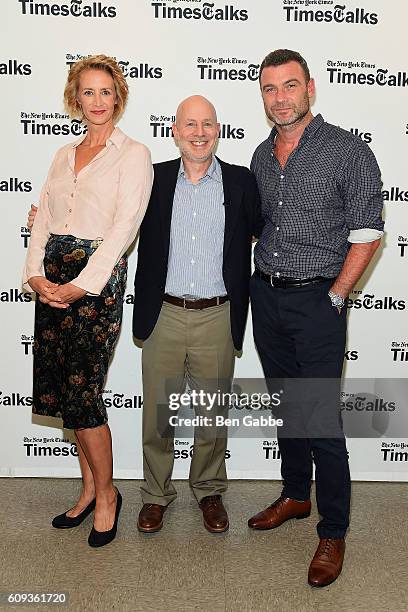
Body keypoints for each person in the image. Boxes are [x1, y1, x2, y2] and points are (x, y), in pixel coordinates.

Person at [247, 49, 384, 587]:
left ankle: (334, 529)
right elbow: (260, 225)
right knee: (287, 407)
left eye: (289, 86)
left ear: (310, 89)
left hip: (318, 302)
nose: (279, 98)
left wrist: (336, 294)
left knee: (321, 419)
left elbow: (367, 229)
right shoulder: (261, 155)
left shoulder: (347, 150)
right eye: (269, 89)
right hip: (269, 297)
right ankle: (296, 496)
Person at [23, 55, 153, 548]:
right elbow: (43, 220)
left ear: (117, 96)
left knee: (85, 394)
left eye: (105, 92)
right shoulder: (61, 154)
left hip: (96, 283)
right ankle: (87, 489)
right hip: (52, 282)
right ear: (74, 99)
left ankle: (108, 496)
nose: (97, 101)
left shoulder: (134, 154)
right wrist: (36, 275)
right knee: (65, 396)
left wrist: (82, 284)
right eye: (87, 92)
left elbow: (124, 229)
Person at [133, 95, 264, 533]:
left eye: (207, 124)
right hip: (164, 314)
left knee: (212, 416)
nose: (199, 132)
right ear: (174, 131)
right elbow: (107, 217)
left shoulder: (242, 183)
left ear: (218, 130)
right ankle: (155, 494)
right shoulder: (151, 180)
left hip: (217, 316)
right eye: (190, 124)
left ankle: (208, 490)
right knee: (158, 415)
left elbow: (268, 233)